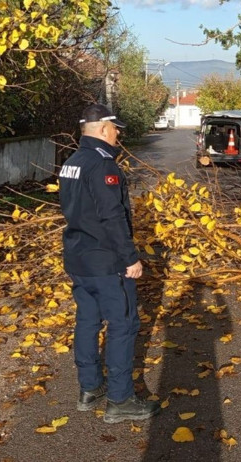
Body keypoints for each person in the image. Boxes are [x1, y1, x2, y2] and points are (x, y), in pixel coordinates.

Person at [59, 104, 160, 424]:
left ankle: (90, 388)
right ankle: (120, 398)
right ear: (103, 129)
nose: (118, 134)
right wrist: (130, 258)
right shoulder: (103, 165)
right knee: (123, 325)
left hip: (79, 258)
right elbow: (112, 216)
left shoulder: (71, 163)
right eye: (116, 129)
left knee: (87, 321)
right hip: (106, 261)